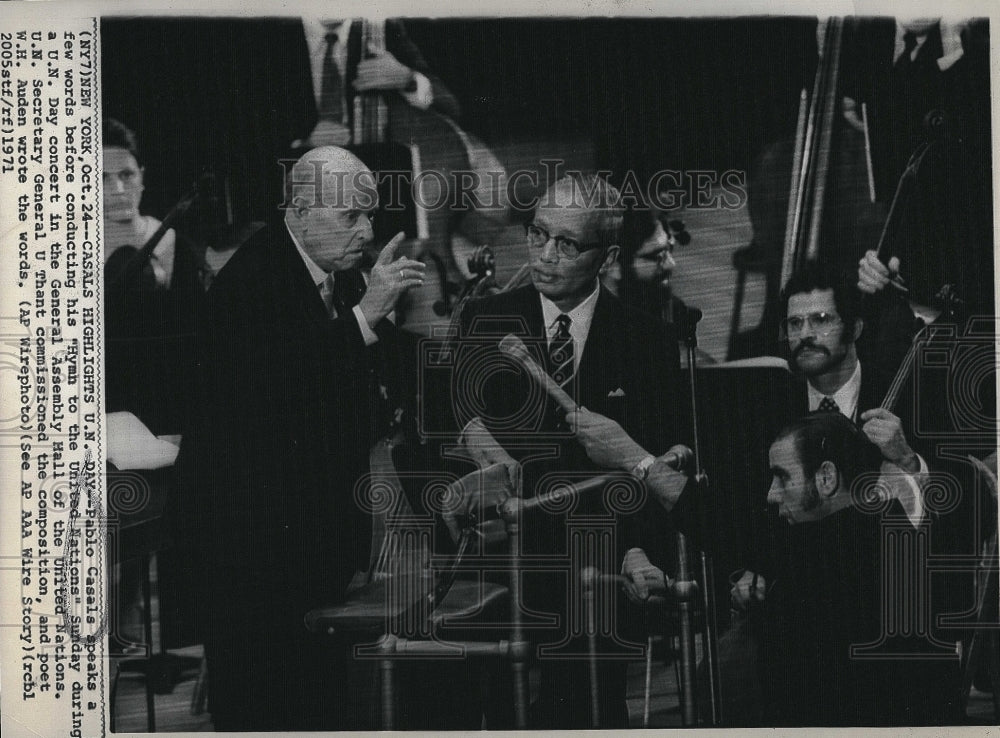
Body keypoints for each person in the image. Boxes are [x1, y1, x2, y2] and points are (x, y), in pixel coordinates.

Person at [169, 146, 425, 731]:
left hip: (307, 540)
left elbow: (356, 388)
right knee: (263, 710)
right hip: (248, 551)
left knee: (316, 705)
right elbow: (285, 392)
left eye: (370, 216)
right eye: (350, 218)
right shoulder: (251, 283)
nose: (366, 230)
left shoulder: (339, 271)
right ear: (301, 209)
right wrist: (365, 318)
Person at [452, 173, 686, 727]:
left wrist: (636, 551)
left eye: (567, 244)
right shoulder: (487, 322)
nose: (546, 256)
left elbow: (652, 465)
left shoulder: (647, 342)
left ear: (605, 258)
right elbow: (448, 426)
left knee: (590, 702)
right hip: (505, 560)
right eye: (538, 235)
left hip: (601, 564)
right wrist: (472, 434)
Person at [758, 412, 962, 725]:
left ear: (826, 478)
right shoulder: (884, 533)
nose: (771, 494)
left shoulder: (822, 553)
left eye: (783, 476)